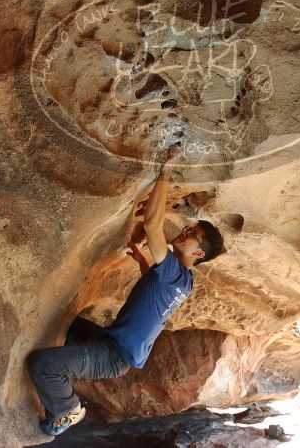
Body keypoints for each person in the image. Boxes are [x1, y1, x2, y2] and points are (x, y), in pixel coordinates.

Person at [27, 144, 225, 437]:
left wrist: (165, 171)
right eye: (189, 229)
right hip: (114, 344)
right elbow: (155, 287)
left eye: (192, 236)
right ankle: (64, 385)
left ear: (198, 254)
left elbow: (152, 224)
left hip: (113, 355)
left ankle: (66, 410)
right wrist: (140, 258)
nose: (184, 232)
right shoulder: (184, 281)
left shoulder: (172, 269)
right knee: (66, 325)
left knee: (42, 364)